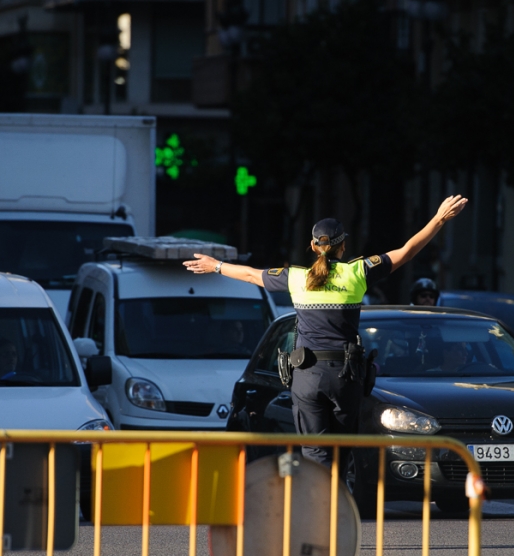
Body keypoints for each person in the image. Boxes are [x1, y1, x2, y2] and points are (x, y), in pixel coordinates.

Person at [183, 194, 469, 467]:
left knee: (314, 452)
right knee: (342, 452)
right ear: (343, 246)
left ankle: (318, 508)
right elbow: (406, 251)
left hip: (306, 375)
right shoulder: (358, 272)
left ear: (313, 245)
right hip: (345, 376)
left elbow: (249, 274)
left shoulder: (296, 277)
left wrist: (215, 265)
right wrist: (439, 219)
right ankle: (335, 506)